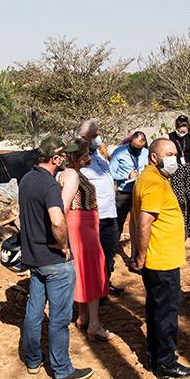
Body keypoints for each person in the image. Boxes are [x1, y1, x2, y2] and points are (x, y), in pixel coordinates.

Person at [19, 134, 93, 379]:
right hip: (53, 260)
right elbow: (57, 219)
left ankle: (32, 360)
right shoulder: (50, 185)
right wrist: (63, 246)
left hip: (34, 259)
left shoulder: (27, 179)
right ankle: (62, 370)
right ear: (55, 158)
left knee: (34, 312)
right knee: (59, 318)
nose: (65, 158)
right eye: (63, 155)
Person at [131, 138, 190, 379]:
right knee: (166, 313)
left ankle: (155, 354)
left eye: (176, 153)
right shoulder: (155, 183)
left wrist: (138, 254)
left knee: (155, 309)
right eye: (168, 153)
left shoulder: (148, 178)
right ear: (154, 157)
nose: (174, 158)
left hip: (157, 258)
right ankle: (166, 362)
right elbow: (143, 222)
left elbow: (133, 214)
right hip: (162, 261)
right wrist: (141, 253)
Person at [58, 138, 115, 342]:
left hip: (84, 225)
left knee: (83, 270)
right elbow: (64, 206)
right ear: (75, 156)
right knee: (92, 272)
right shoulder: (72, 174)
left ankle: (83, 317)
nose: (88, 158)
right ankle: (94, 324)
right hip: (81, 226)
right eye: (84, 155)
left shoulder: (74, 173)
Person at [77, 121, 124, 296]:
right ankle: (93, 291)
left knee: (109, 253)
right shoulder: (78, 157)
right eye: (95, 136)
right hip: (93, 217)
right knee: (94, 257)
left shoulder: (98, 154)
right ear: (83, 138)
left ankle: (105, 284)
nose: (99, 138)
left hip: (110, 214)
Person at [168, 115, 190, 239]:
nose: (183, 133)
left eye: (185, 131)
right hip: (176, 169)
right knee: (179, 199)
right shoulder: (169, 137)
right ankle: (181, 230)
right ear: (176, 128)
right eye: (180, 131)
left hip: (189, 167)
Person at [110, 131, 148, 241]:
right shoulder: (119, 152)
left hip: (140, 192)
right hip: (124, 193)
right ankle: (112, 251)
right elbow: (110, 172)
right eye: (134, 147)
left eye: (140, 148)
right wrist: (126, 176)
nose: (137, 150)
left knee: (140, 224)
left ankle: (137, 253)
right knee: (118, 223)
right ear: (130, 141)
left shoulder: (146, 153)